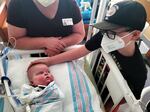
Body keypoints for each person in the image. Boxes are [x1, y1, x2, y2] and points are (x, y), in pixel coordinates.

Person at [31, 1, 147, 99]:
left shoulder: (138, 72)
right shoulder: (104, 36)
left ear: (135, 35)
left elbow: (128, 101)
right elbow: (81, 51)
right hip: (96, 82)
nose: (105, 36)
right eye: (105, 30)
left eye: (112, 32)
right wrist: (49, 61)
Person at [7, 0, 85, 56]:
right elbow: (15, 40)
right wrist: (45, 42)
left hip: (65, 52)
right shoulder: (17, 4)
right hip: (32, 54)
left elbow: (79, 33)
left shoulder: (70, 3)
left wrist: (58, 45)